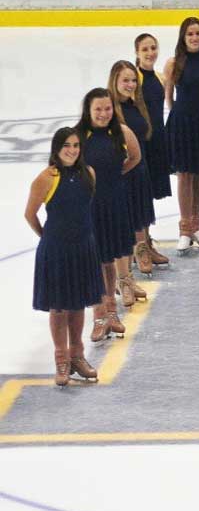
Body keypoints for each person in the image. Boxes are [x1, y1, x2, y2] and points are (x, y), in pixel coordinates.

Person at [25, 127, 102, 386]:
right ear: (57, 149)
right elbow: (30, 214)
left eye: (76, 146)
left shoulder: (88, 174)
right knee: (59, 306)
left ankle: (77, 355)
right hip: (56, 249)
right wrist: (47, 236)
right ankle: (61, 358)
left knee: (78, 303)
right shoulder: (47, 177)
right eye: (67, 145)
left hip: (83, 247)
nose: (72, 150)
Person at [77, 88, 141, 343]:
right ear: (88, 111)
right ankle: (99, 316)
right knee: (95, 262)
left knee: (109, 260)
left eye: (107, 108)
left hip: (114, 203)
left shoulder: (121, 133)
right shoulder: (79, 137)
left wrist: (113, 178)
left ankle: (112, 313)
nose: (103, 114)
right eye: (98, 109)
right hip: (89, 206)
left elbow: (134, 158)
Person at [163, 17, 199, 253]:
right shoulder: (174, 63)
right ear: (183, 38)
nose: (195, 38)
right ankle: (185, 228)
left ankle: (196, 224)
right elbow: (168, 96)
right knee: (185, 174)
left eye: (198, 33)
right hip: (182, 121)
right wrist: (180, 114)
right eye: (190, 34)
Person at [108, 61, 155, 309]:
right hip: (124, 176)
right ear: (114, 81)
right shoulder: (112, 112)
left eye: (133, 80)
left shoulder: (136, 105)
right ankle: (123, 278)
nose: (130, 85)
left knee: (138, 219)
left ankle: (141, 251)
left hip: (140, 171)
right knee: (122, 231)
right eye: (125, 80)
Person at [133, 33, 172, 267]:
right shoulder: (133, 79)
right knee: (139, 197)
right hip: (140, 145)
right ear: (137, 52)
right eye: (145, 49)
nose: (150, 53)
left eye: (153, 48)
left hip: (157, 143)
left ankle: (146, 242)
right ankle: (140, 249)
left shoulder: (159, 78)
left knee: (148, 197)